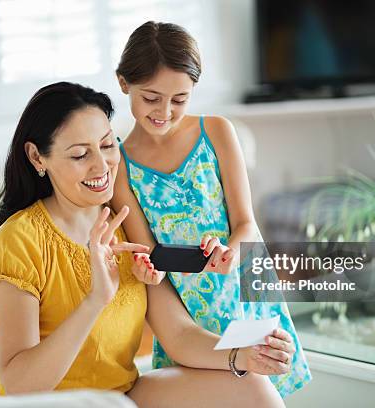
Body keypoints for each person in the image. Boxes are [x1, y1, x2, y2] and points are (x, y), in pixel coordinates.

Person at [0, 81, 295, 407]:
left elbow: (177, 333)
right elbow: (19, 387)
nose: (101, 166)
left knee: (253, 388)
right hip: (48, 404)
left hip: (121, 396)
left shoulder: (128, 224)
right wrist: (95, 300)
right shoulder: (19, 240)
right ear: (37, 157)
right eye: (79, 154)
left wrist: (244, 356)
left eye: (107, 146)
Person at [111, 21, 312, 397]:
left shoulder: (217, 132)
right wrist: (146, 269)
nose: (164, 112)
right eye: (151, 98)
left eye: (179, 99)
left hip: (242, 291)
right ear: (124, 83)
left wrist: (231, 252)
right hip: (188, 312)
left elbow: (246, 223)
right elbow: (148, 254)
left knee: (263, 389)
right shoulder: (120, 166)